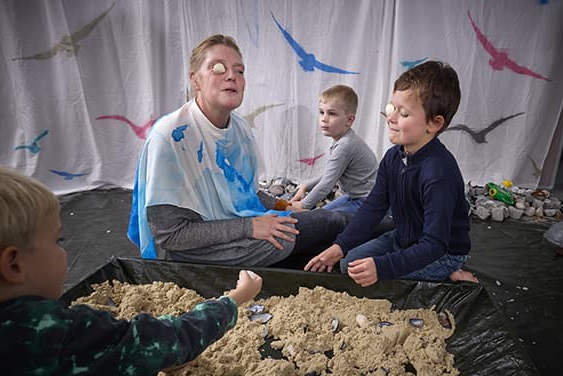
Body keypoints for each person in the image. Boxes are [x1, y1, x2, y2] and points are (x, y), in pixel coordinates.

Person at [0, 163, 263, 376]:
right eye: (57, 240)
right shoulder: (54, 335)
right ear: (13, 265)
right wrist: (235, 298)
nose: (64, 251)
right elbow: (168, 340)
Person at [127, 34, 349, 266]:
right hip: (208, 253)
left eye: (239, 71)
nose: (232, 76)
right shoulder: (170, 137)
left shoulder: (239, 128)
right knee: (332, 222)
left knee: (333, 237)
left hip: (243, 232)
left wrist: (283, 205)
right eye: (218, 68)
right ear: (195, 80)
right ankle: (391, 230)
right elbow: (171, 235)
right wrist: (250, 227)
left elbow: (242, 193)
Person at [305, 61, 478, 285]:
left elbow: (435, 243)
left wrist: (383, 267)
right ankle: (422, 271)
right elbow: (373, 207)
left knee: (375, 277)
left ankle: (449, 273)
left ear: (434, 124)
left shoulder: (438, 172)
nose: (391, 118)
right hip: (404, 239)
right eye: (392, 108)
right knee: (350, 263)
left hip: (442, 252)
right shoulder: (393, 157)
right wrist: (341, 245)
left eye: (403, 114)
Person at [289, 85, 378, 215]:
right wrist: (305, 186)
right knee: (322, 212)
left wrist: (303, 205)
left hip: (368, 202)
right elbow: (330, 175)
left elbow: (326, 184)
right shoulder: (344, 140)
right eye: (321, 112)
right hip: (354, 197)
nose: (324, 119)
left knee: (320, 218)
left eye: (331, 113)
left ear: (349, 120)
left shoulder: (345, 145)